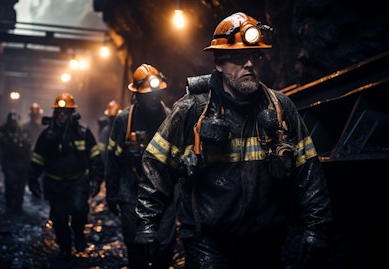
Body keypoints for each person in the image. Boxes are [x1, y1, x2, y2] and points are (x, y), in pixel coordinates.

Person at [134, 12, 333, 269]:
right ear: (219, 63)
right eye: (239, 58)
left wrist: (317, 227)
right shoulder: (191, 110)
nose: (249, 64)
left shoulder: (281, 108)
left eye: (255, 56)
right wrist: (147, 223)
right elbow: (156, 165)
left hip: (266, 240)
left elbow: (309, 170)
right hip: (208, 240)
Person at [105, 64, 177, 269]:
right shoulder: (123, 120)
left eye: (156, 93)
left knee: (164, 247)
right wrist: (111, 193)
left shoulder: (170, 117)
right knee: (136, 247)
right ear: (137, 94)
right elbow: (113, 160)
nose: (153, 98)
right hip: (131, 194)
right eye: (148, 95)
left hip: (165, 196)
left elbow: (179, 161)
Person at [27, 92, 104, 259]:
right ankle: (65, 248)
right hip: (54, 184)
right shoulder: (47, 135)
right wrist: (32, 178)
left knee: (78, 210)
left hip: (78, 182)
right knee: (59, 219)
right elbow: (37, 159)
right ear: (55, 113)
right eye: (60, 112)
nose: (62, 116)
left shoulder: (83, 133)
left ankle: (79, 235)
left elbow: (95, 158)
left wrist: (97, 179)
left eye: (66, 112)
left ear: (72, 113)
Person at [0, 111, 32, 215]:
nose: (13, 123)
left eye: (15, 121)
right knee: (9, 183)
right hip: (8, 163)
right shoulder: (2, 131)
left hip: (23, 164)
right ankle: (9, 205)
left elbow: (30, 147)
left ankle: (18, 207)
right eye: (11, 121)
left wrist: (32, 163)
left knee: (21, 186)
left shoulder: (24, 131)